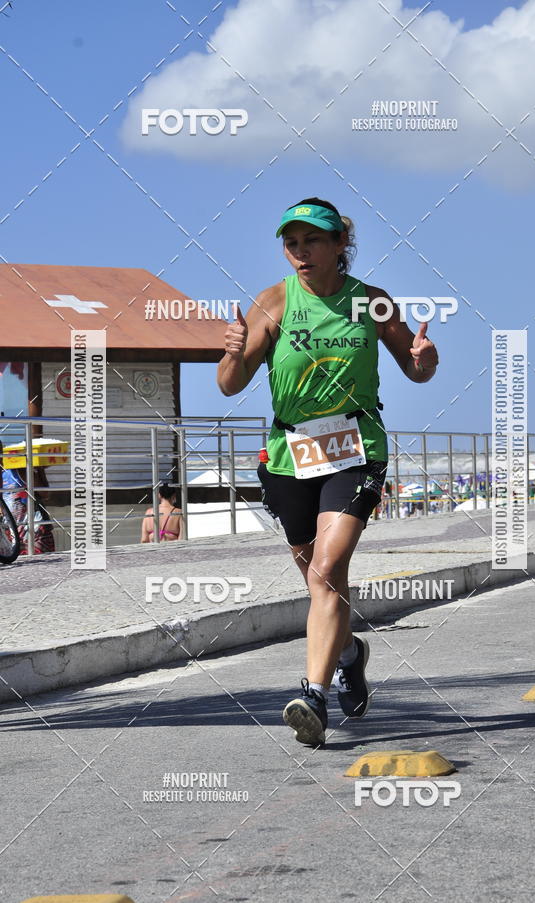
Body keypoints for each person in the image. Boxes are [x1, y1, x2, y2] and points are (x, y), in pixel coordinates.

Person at [217, 197, 438, 746]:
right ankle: (349, 652)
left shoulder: (370, 302)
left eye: (312, 241)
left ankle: (312, 694)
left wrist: (426, 357)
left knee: (326, 567)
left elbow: (415, 369)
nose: (300, 252)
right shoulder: (272, 303)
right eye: (291, 243)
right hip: (291, 453)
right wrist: (233, 352)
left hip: (355, 445)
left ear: (341, 244)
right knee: (320, 577)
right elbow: (230, 383)